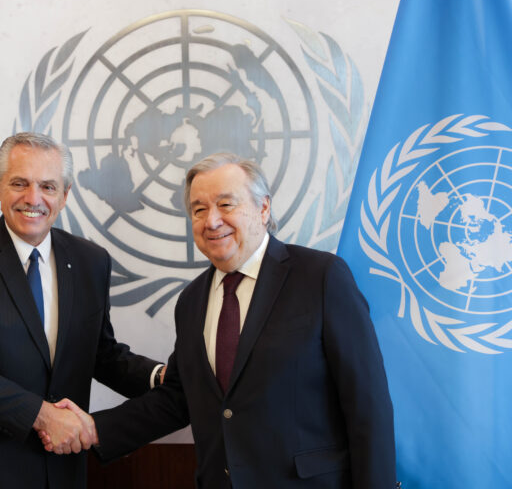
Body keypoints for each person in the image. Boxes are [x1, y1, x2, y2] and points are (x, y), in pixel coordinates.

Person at [47, 152, 396, 488]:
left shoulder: (321, 278)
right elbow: (179, 399)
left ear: (262, 208)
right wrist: (94, 428)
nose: (212, 220)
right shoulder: (192, 301)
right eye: (199, 209)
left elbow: (367, 404)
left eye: (226, 204)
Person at [0, 132, 163, 488]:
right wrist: (42, 416)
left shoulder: (91, 261)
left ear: (65, 195)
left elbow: (100, 354)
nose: (34, 198)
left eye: (48, 186)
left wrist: (161, 378)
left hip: (60, 471)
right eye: (19, 183)